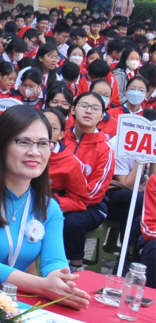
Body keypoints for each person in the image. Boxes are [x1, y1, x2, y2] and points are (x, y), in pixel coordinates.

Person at [0, 106, 88, 309]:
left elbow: (54, 261)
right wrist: (43, 286)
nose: (34, 152)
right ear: (1, 145)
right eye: (24, 142)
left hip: (14, 306)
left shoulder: (49, 208)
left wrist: (60, 281)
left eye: (43, 144)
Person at [61, 91, 115, 270]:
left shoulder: (105, 148)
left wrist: (63, 203)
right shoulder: (61, 138)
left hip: (91, 206)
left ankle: (76, 266)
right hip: (58, 198)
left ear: (102, 115)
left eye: (95, 108)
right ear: (73, 110)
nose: (89, 111)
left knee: (72, 221)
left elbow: (95, 193)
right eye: (84, 106)